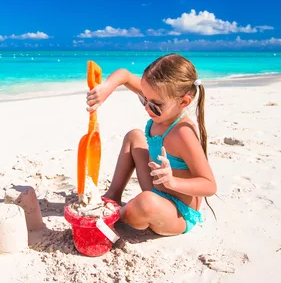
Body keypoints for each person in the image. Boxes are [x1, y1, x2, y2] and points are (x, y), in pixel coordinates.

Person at [85, 53, 216, 235]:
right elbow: (124, 75)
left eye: (155, 105)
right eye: (144, 99)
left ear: (183, 102)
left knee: (145, 203)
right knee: (134, 136)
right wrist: (107, 88)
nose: (147, 108)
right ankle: (113, 195)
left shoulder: (183, 133)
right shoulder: (159, 97)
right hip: (156, 187)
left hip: (177, 212)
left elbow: (209, 185)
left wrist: (173, 182)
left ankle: (113, 216)